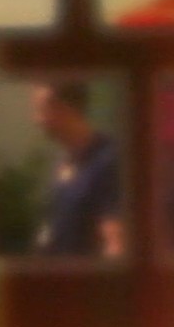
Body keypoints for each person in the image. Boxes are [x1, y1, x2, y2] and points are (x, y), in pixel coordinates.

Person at [33, 82, 123, 258]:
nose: (36, 120)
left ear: (64, 109)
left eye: (41, 110)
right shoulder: (64, 161)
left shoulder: (108, 161)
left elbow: (115, 245)